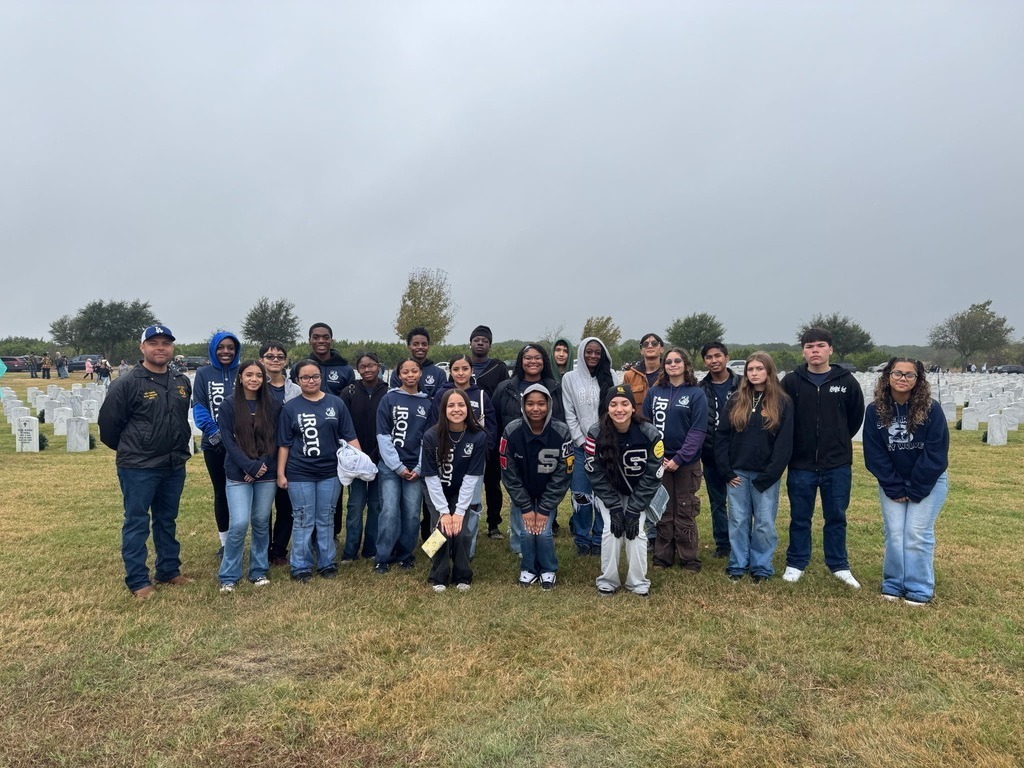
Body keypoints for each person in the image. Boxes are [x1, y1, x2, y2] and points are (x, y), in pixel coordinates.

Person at [98, 325, 193, 599]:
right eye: (153, 343)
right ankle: (138, 580)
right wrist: (136, 448)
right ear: (143, 348)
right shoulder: (127, 383)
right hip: (138, 466)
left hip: (174, 464)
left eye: (166, 343)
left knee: (167, 519)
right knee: (137, 522)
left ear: (172, 348)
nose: (160, 347)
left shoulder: (180, 381)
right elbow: (109, 427)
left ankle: (168, 570)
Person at [781, 329, 865, 588]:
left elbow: (854, 418)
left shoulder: (847, 381)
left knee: (836, 515)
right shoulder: (791, 382)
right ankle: (796, 562)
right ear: (803, 351)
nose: (814, 351)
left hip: (836, 463)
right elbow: (783, 416)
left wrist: (836, 439)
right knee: (800, 516)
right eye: (809, 346)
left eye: (820, 346)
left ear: (830, 349)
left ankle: (839, 564)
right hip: (801, 462)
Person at [864, 358, 949, 606]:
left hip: (928, 482)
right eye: (897, 373)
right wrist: (894, 485)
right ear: (888, 376)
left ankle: (919, 588)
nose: (903, 379)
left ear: (918, 380)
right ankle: (893, 584)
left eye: (909, 375)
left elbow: (936, 453)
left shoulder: (932, 409)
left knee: (916, 533)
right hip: (892, 482)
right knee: (895, 533)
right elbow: (875, 452)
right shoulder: (875, 410)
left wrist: (915, 487)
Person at [276, 359, 359, 582]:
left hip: (330, 474)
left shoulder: (336, 404)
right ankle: (300, 565)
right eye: (305, 377)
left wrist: (360, 464)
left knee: (326, 518)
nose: (310, 381)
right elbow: (284, 444)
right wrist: (281, 474)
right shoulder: (290, 408)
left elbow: (349, 436)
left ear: (321, 378)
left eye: (314, 377)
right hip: (299, 473)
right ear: (297, 380)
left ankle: (326, 562)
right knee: (303, 519)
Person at [715, 352, 794, 582]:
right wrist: (726, 471)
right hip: (737, 473)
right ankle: (738, 563)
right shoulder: (735, 399)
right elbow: (721, 436)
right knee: (738, 520)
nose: (755, 373)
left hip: (765, 475)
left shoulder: (782, 402)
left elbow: (784, 443)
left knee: (764, 522)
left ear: (769, 371)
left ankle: (761, 565)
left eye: (760, 369)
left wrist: (770, 474)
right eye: (750, 369)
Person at [585, 384, 664, 597]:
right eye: (613, 404)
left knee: (635, 531)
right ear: (607, 408)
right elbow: (595, 473)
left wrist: (634, 508)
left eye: (624, 404)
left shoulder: (649, 433)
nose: (619, 409)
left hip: (638, 492)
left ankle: (637, 582)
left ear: (632, 408)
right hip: (610, 492)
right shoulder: (595, 433)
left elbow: (654, 473)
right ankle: (608, 580)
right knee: (612, 529)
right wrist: (615, 507)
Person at [216, 360, 282, 593]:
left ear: (264, 379)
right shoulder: (229, 405)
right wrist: (248, 466)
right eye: (249, 375)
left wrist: (261, 465)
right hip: (237, 473)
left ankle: (258, 570)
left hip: (266, 473)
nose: (254, 379)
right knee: (239, 523)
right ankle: (229, 574)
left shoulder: (273, 405)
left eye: (258, 375)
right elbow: (228, 441)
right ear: (240, 378)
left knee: (261, 522)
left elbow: (274, 439)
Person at [499, 384, 572, 589]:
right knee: (527, 532)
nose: (536, 408)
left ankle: (548, 568)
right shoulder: (511, 430)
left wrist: (544, 507)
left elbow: (563, 475)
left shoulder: (561, 431)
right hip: (524, 493)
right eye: (530, 403)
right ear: (523, 405)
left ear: (549, 405)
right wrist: (526, 506)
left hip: (548, 492)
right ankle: (529, 568)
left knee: (544, 532)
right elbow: (509, 473)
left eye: (541, 403)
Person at [642, 347, 708, 571]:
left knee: (684, 509)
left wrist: (679, 459)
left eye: (677, 361)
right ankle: (662, 557)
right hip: (659, 461)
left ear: (685, 364)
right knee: (663, 510)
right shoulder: (654, 392)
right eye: (668, 361)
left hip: (686, 464)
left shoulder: (696, 394)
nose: (672, 365)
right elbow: (646, 426)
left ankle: (689, 558)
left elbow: (698, 431)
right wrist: (656, 457)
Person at [493, 344, 563, 550]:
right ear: (520, 361)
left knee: (547, 495)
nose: (533, 361)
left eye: (537, 357)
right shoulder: (505, 387)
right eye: (527, 357)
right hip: (516, 453)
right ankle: (519, 544)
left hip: (546, 453)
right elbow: (496, 420)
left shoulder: (554, 387)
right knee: (518, 497)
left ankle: (543, 537)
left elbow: (561, 420)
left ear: (544, 360)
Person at [429, 354, 497, 556]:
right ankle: (437, 552)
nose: (460, 373)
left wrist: (482, 451)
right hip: (445, 460)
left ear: (472, 371)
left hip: (472, 460)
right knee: (440, 508)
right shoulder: (441, 394)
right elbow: (432, 426)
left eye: (465, 368)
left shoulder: (482, 396)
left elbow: (491, 428)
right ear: (450, 371)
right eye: (456, 369)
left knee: (470, 506)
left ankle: (466, 551)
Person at [422, 389, 489, 592]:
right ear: (443, 410)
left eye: (461, 405)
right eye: (451, 405)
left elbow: (471, 478)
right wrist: (444, 512)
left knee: (462, 531)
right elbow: (431, 477)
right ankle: (438, 574)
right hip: (435, 490)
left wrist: (458, 512)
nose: (456, 409)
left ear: (468, 409)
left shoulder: (478, 436)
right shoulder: (431, 436)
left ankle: (463, 573)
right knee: (440, 530)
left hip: (461, 490)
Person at [561, 336, 619, 555]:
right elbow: (569, 413)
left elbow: (617, 409)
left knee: (603, 494)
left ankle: (600, 537)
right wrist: (582, 442)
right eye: (589, 351)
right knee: (581, 494)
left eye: (597, 352)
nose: (593, 356)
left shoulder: (611, 375)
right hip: (581, 447)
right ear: (582, 353)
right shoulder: (570, 378)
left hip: (607, 446)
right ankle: (582, 538)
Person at [375, 358, 431, 574]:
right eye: (405, 371)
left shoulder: (427, 403)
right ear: (398, 374)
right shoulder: (388, 399)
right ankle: (383, 556)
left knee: (412, 514)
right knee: (389, 511)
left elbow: (428, 439)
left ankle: (406, 554)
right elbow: (382, 434)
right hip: (390, 468)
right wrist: (397, 466)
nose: (410, 375)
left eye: (414, 371)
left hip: (416, 470)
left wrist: (418, 468)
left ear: (420, 374)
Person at [192, 331, 242, 559]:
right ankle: (225, 543)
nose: (226, 351)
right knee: (221, 492)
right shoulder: (203, 374)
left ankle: (241, 540)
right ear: (213, 349)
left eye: (230, 347)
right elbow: (200, 407)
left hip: (244, 446)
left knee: (241, 493)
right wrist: (218, 435)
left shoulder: (243, 372)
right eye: (221, 347)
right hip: (215, 446)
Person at [339, 351, 388, 563]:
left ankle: (371, 549)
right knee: (355, 506)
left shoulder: (388, 393)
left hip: (380, 457)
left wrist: (376, 454)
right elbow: (342, 424)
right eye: (363, 366)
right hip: (356, 460)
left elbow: (390, 426)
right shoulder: (349, 391)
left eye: (371, 365)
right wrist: (357, 455)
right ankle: (350, 552)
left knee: (377, 505)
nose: (367, 369)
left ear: (379, 366)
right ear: (357, 369)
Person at [699, 341, 742, 559]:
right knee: (718, 503)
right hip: (711, 454)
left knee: (741, 503)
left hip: (739, 454)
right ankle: (723, 544)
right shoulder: (700, 388)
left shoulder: (743, 385)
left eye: (718, 356)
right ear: (704, 361)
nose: (714, 361)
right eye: (709, 357)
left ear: (726, 357)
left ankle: (742, 541)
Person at [260, 341, 301, 566]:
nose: (275, 360)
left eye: (279, 356)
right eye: (269, 356)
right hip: (263, 453)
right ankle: (262, 549)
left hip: (291, 454)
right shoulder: (255, 386)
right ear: (262, 361)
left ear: (285, 361)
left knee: (286, 506)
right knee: (263, 508)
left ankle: (279, 550)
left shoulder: (295, 390)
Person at [468, 325, 510, 539]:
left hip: (492, 432)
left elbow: (504, 398)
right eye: (476, 339)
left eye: (484, 340)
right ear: (471, 343)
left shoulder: (499, 368)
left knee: (492, 482)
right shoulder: (462, 366)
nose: (480, 343)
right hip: (465, 434)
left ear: (490, 345)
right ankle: (463, 521)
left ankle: (493, 524)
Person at [389, 326, 447, 397]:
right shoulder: (398, 373)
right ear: (409, 347)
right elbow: (395, 398)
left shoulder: (439, 374)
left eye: (424, 344)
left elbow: (440, 401)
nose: (420, 347)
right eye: (415, 344)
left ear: (428, 347)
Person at [306, 322, 354, 395]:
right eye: (316, 337)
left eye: (326, 338)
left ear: (331, 341)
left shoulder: (346, 370)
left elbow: (351, 398)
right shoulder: (300, 368)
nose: (321, 341)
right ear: (310, 341)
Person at [623, 332, 665, 409]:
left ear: (662, 349)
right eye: (645, 344)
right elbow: (624, 402)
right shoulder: (629, 376)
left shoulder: (669, 374)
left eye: (654, 343)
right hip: (639, 420)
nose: (650, 346)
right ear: (641, 351)